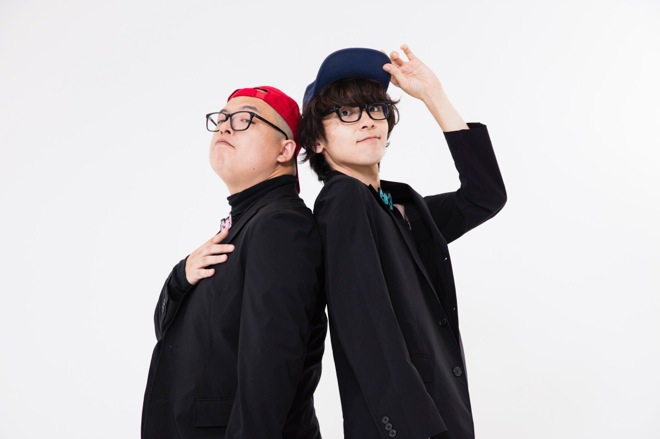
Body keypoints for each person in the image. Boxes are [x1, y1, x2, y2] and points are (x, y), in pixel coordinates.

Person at [299, 45, 507, 439]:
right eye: (346, 112)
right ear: (317, 141)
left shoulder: (399, 208)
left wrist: (434, 96)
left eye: (375, 108)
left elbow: (484, 196)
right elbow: (366, 327)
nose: (367, 120)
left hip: (442, 413)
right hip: (412, 425)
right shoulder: (343, 199)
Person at [141, 85, 327, 438]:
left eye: (245, 120)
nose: (225, 126)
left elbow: (270, 371)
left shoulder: (281, 226)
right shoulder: (243, 227)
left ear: (285, 150)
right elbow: (172, 338)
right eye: (223, 119)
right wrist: (180, 277)